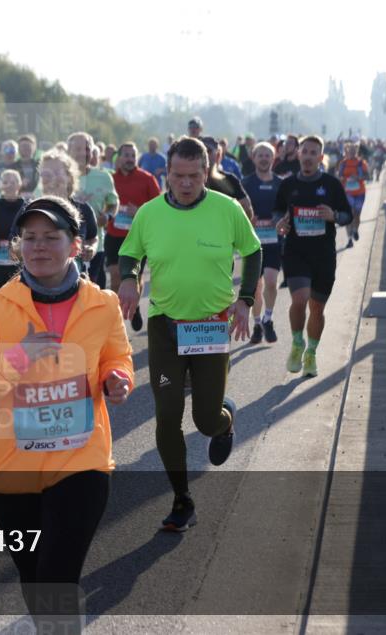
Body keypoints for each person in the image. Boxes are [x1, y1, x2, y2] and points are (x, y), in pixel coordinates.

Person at [0, 195, 133, 634]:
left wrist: (117, 378)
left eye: (51, 237)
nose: (38, 246)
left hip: (82, 460)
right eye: (29, 237)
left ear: (76, 245)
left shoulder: (102, 304)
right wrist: (18, 358)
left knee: (56, 577)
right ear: (16, 248)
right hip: (12, 468)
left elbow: (118, 357)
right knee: (36, 581)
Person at [117, 136, 261, 532]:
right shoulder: (149, 214)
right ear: (167, 173)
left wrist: (245, 299)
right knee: (166, 415)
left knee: (205, 420)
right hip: (166, 328)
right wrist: (129, 279)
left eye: (193, 176)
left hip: (211, 325)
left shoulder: (226, 209)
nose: (184, 183)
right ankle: (182, 499)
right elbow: (129, 253)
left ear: (206, 172)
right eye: (177, 176)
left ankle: (225, 420)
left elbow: (252, 251)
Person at [274, 135, 353, 378]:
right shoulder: (287, 185)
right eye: (304, 151)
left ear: (320, 157)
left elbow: (347, 215)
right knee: (300, 300)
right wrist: (281, 223)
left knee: (317, 307)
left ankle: (311, 353)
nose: (308, 156)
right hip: (296, 251)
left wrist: (333, 216)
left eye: (313, 153)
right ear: (298, 154)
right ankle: (297, 345)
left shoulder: (331, 184)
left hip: (323, 254)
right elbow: (278, 211)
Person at [108, 143, 161, 331]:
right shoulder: (110, 179)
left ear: (137, 158)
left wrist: (137, 211)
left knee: (134, 277)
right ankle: (115, 319)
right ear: (119, 158)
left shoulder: (147, 179)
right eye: (126, 155)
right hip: (114, 234)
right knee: (115, 276)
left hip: (138, 237)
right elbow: (104, 202)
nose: (129, 158)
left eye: (133, 155)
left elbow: (159, 208)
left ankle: (135, 306)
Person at [241, 143, 283, 344]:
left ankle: (268, 318)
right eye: (260, 155)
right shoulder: (246, 183)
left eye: (268, 155)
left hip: (274, 241)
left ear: (273, 158)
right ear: (253, 157)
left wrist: (279, 218)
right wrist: (249, 218)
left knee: (272, 283)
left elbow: (286, 209)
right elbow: (237, 210)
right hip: (253, 242)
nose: (264, 158)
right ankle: (257, 324)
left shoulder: (280, 183)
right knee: (257, 287)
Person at [39, 149, 99, 279]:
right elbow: (13, 250)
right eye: (47, 174)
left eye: (57, 172)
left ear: (69, 177)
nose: (53, 178)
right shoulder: (30, 211)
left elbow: (93, 237)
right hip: (38, 287)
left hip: (77, 284)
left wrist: (91, 248)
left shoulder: (84, 210)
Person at [67, 132, 117, 289]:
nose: (83, 153)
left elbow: (113, 202)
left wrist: (108, 215)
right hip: (63, 247)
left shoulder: (104, 176)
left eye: (87, 148)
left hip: (94, 246)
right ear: (68, 151)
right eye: (78, 149)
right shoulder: (59, 176)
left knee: (92, 292)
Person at [0, 169, 26, 293]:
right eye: (6, 182)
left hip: (20, 264)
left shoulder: (27, 207)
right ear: (0, 185)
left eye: (13, 182)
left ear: (19, 185)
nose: (9, 185)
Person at [201, 137, 254, 219]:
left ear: (218, 155)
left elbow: (247, 209)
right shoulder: (186, 180)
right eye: (201, 151)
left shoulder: (229, 180)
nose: (204, 155)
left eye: (208, 151)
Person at [336, 142, 370, 248]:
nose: (352, 153)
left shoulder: (361, 163)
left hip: (360, 192)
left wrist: (358, 178)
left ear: (356, 151)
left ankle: (355, 230)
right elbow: (339, 175)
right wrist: (343, 178)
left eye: (354, 151)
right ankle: (349, 239)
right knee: (349, 214)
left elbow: (367, 176)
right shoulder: (343, 163)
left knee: (357, 215)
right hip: (347, 193)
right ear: (346, 151)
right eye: (350, 151)